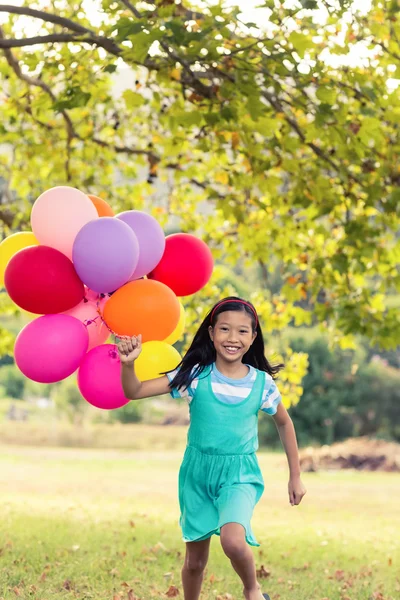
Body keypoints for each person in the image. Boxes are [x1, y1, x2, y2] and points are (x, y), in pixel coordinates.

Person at [117, 296, 306, 600]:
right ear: (211, 333)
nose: (233, 338)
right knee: (195, 563)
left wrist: (295, 475)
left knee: (233, 541)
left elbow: (284, 423)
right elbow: (134, 390)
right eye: (225, 330)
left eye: (243, 331)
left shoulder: (261, 384)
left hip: (239, 474)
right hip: (197, 474)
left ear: (253, 337)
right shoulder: (194, 376)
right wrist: (129, 364)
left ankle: (252, 589)